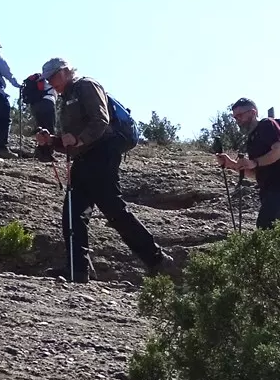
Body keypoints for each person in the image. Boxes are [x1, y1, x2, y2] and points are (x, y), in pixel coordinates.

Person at [34, 57, 177, 281]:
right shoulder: (67, 97)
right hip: (85, 160)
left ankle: (158, 260)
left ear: (65, 71)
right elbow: (72, 141)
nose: (52, 83)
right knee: (73, 213)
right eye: (49, 79)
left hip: (103, 154)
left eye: (53, 77)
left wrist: (78, 140)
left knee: (114, 211)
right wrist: (51, 141)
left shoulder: (87, 86)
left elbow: (100, 121)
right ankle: (78, 269)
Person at [215, 97, 280, 229]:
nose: (238, 120)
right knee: (278, 230)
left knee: (265, 226)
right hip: (268, 189)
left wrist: (254, 162)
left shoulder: (267, 125)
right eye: (235, 117)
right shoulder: (252, 138)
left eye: (240, 115)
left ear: (253, 113)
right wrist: (232, 164)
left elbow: (278, 152)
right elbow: (255, 172)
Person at [20, 72, 57, 162]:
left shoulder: (41, 81)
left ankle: (40, 152)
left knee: (41, 128)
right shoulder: (51, 80)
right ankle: (47, 155)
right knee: (49, 129)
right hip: (47, 102)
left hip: (35, 105)